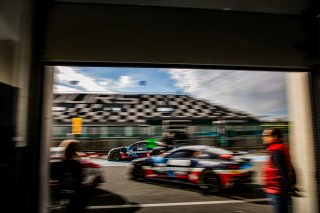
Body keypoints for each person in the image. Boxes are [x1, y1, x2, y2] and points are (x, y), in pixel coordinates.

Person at [57, 139, 99, 213]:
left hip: (64, 194)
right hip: (76, 196)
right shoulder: (76, 165)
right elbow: (81, 179)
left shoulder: (59, 165)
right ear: (74, 153)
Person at [261, 128, 297, 213]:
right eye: (262, 135)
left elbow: (283, 171)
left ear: (275, 137)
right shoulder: (277, 148)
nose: (263, 138)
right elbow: (289, 167)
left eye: (266, 135)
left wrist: (287, 189)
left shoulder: (276, 150)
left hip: (278, 191)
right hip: (276, 190)